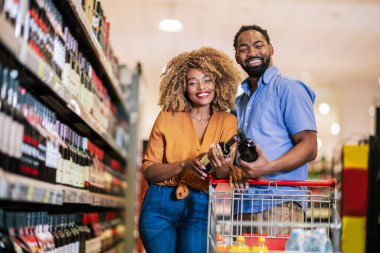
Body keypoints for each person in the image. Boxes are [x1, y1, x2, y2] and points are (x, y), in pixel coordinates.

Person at [138, 47, 241, 253]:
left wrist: (221, 167)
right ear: (182, 87)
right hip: (160, 204)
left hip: (201, 206)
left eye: (207, 80)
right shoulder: (168, 116)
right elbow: (149, 170)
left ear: (217, 83)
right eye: (192, 82)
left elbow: (222, 174)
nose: (201, 87)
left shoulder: (228, 121)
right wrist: (183, 165)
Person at [229, 25, 318, 234]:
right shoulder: (240, 103)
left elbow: (310, 146)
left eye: (258, 45)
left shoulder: (289, 88)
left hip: (279, 204)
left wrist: (268, 167)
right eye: (244, 48)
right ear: (237, 57)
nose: (251, 53)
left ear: (270, 49)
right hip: (244, 205)